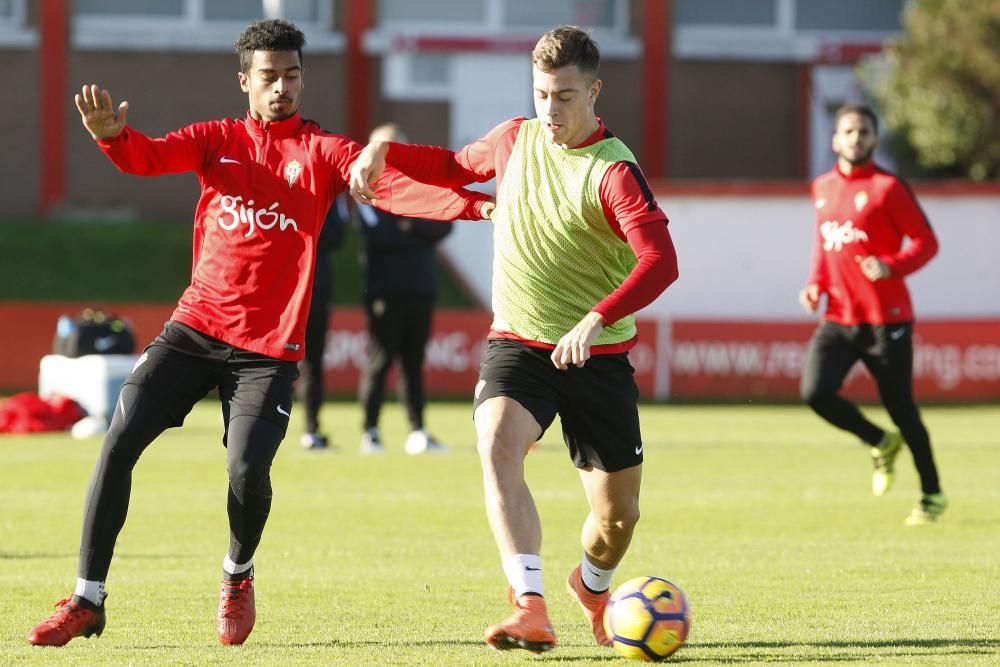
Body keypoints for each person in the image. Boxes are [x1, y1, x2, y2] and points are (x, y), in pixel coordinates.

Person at [27, 19, 489, 648]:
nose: (282, 88)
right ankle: (87, 598)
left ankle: (237, 573)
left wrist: (470, 202)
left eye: (292, 75)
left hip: (266, 351)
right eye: (269, 77)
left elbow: (390, 182)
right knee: (120, 439)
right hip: (194, 328)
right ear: (245, 81)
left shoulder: (322, 150)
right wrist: (114, 137)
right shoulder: (216, 139)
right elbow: (151, 155)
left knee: (246, 469)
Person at [350, 26, 679, 654]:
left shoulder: (614, 172)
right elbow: (451, 167)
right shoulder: (513, 139)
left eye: (564, 96)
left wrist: (595, 318)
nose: (549, 110)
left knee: (617, 520)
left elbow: (660, 261)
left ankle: (591, 585)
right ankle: (530, 606)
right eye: (541, 94)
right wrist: (382, 152)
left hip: (598, 355)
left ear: (594, 92)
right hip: (520, 343)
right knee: (497, 441)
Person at [799, 103, 945, 526]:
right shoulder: (822, 187)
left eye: (864, 131)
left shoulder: (888, 188)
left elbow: (926, 242)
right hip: (839, 318)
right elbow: (824, 246)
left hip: (888, 319)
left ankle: (932, 494)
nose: (856, 138)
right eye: (848, 131)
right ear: (835, 139)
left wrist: (890, 265)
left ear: (875, 140)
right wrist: (815, 284)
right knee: (815, 393)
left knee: (902, 408)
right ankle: (879, 441)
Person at [353, 123, 453, 456]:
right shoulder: (366, 188)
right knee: (380, 359)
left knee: (414, 362)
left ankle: (418, 430)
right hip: (385, 289)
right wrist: (414, 225)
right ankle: (371, 431)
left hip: (420, 286)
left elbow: (444, 222)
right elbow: (379, 235)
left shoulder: (422, 184)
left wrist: (406, 223)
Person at [299, 202, 346, 450]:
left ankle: (311, 428)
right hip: (288, 284)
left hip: (319, 286)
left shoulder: (332, 198)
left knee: (313, 361)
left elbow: (337, 235)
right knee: (272, 359)